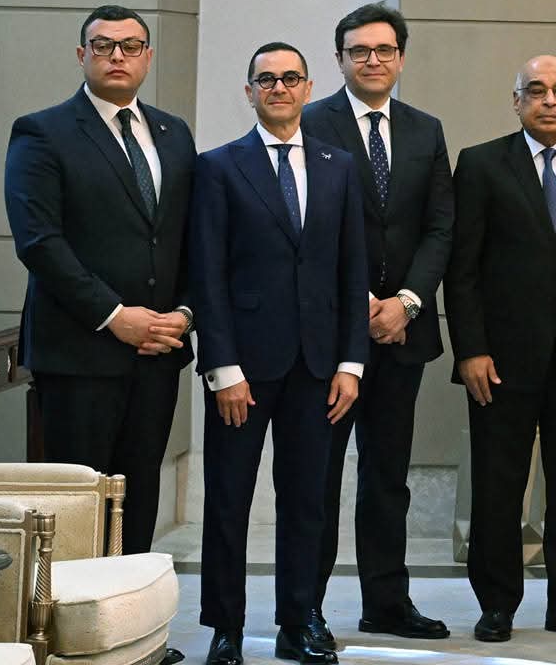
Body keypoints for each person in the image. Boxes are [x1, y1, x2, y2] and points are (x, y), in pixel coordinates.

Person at [4, 6, 197, 665]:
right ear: (81, 53)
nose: (118, 56)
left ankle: (133, 638)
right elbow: (40, 242)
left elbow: (188, 237)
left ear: (148, 56)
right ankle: (71, 645)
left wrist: (184, 314)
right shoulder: (43, 132)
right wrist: (117, 316)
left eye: (132, 45)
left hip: (158, 352)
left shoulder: (172, 133)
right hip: (80, 353)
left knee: (139, 497)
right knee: (80, 505)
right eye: (104, 45)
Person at [188, 43, 368, 665]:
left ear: (308, 88)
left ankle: (300, 621)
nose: (279, 88)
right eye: (266, 80)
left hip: (319, 367)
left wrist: (351, 363)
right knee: (229, 500)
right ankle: (226, 628)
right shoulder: (218, 167)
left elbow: (353, 271)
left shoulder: (339, 166)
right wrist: (222, 368)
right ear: (249, 92)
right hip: (243, 368)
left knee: (308, 501)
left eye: (291, 78)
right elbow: (207, 274)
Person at [446, 55, 556, 643]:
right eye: (537, 90)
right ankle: (497, 604)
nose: (550, 100)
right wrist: (470, 349)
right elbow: (462, 269)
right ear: (516, 100)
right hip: (498, 363)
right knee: (498, 487)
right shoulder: (480, 164)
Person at [299, 3, 454, 645]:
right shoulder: (310, 122)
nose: (372, 60)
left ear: (401, 58)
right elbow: (304, 224)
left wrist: (407, 302)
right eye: (358, 50)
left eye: (384, 50)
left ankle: (386, 603)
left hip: (403, 333)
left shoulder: (425, 129)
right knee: (318, 478)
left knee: (388, 478)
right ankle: (305, 609)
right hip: (330, 335)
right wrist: (359, 300)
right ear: (340, 59)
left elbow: (440, 227)